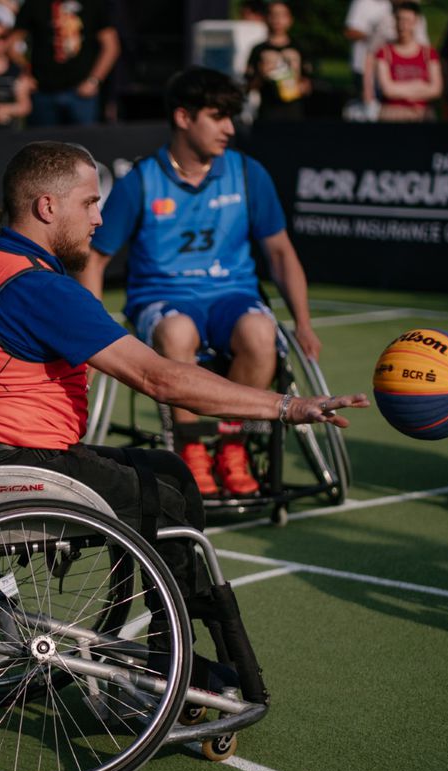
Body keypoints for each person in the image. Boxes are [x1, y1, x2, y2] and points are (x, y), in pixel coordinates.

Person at [0, 140, 366, 648]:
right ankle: (175, 649)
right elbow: (160, 379)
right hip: (23, 463)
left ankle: (171, 639)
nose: (99, 218)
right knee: (169, 504)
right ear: (46, 207)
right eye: (89, 203)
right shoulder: (39, 287)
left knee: (173, 470)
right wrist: (285, 406)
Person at [82, 67, 324, 498]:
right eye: (218, 117)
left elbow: (281, 253)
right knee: (177, 332)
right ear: (183, 118)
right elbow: (94, 259)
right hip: (163, 298)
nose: (229, 128)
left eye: (232, 117)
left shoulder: (249, 174)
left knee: (260, 331)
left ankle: (232, 446)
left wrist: (303, 322)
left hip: (232, 296)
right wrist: (89, 335)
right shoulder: (141, 180)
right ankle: (190, 451)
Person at [13, 0, 119, 126]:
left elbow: (111, 46)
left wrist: (94, 80)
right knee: (44, 144)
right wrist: (26, 73)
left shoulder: (93, 4)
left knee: (84, 143)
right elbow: (11, 44)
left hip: (81, 94)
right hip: (44, 92)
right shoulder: (35, 4)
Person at [367, 1, 442, 121]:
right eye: (399, 20)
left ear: (416, 22)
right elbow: (388, 90)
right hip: (392, 114)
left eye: (408, 21)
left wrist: (400, 90)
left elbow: (436, 89)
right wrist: (419, 85)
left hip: (422, 114)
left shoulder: (429, 54)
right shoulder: (385, 53)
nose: (403, 25)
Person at [344, 0, 429, 105]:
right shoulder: (367, 5)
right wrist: (375, 36)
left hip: (401, 74)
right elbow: (351, 32)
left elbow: (424, 49)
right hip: (366, 69)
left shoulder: (415, 18)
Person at [243, 0, 311, 122]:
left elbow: (309, 82)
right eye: (273, 15)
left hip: (294, 112)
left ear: (290, 19)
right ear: (266, 18)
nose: (277, 20)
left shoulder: (300, 47)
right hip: (268, 112)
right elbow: (248, 86)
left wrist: (301, 87)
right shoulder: (258, 49)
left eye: (282, 15)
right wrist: (261, 75)